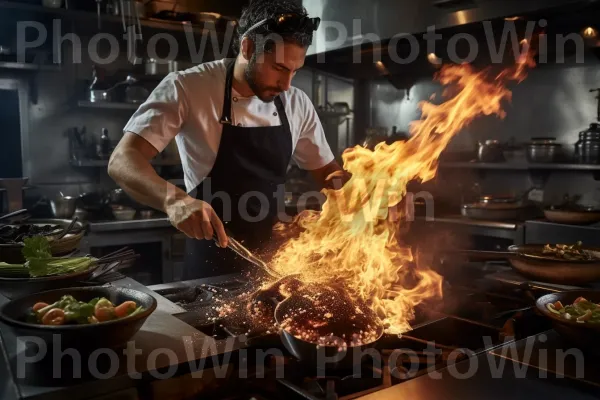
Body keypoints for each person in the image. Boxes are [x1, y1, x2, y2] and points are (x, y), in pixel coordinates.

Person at [108, 0, 348, 279]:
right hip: (210, 266)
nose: (287, 85)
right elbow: (122, 160)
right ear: (247, 47)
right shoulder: (188, 87)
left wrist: (368, 200)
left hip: (274, 270)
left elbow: (329, 176)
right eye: (279, 68)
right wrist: (175, 201)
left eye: (295, 71)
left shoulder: (296, 102)